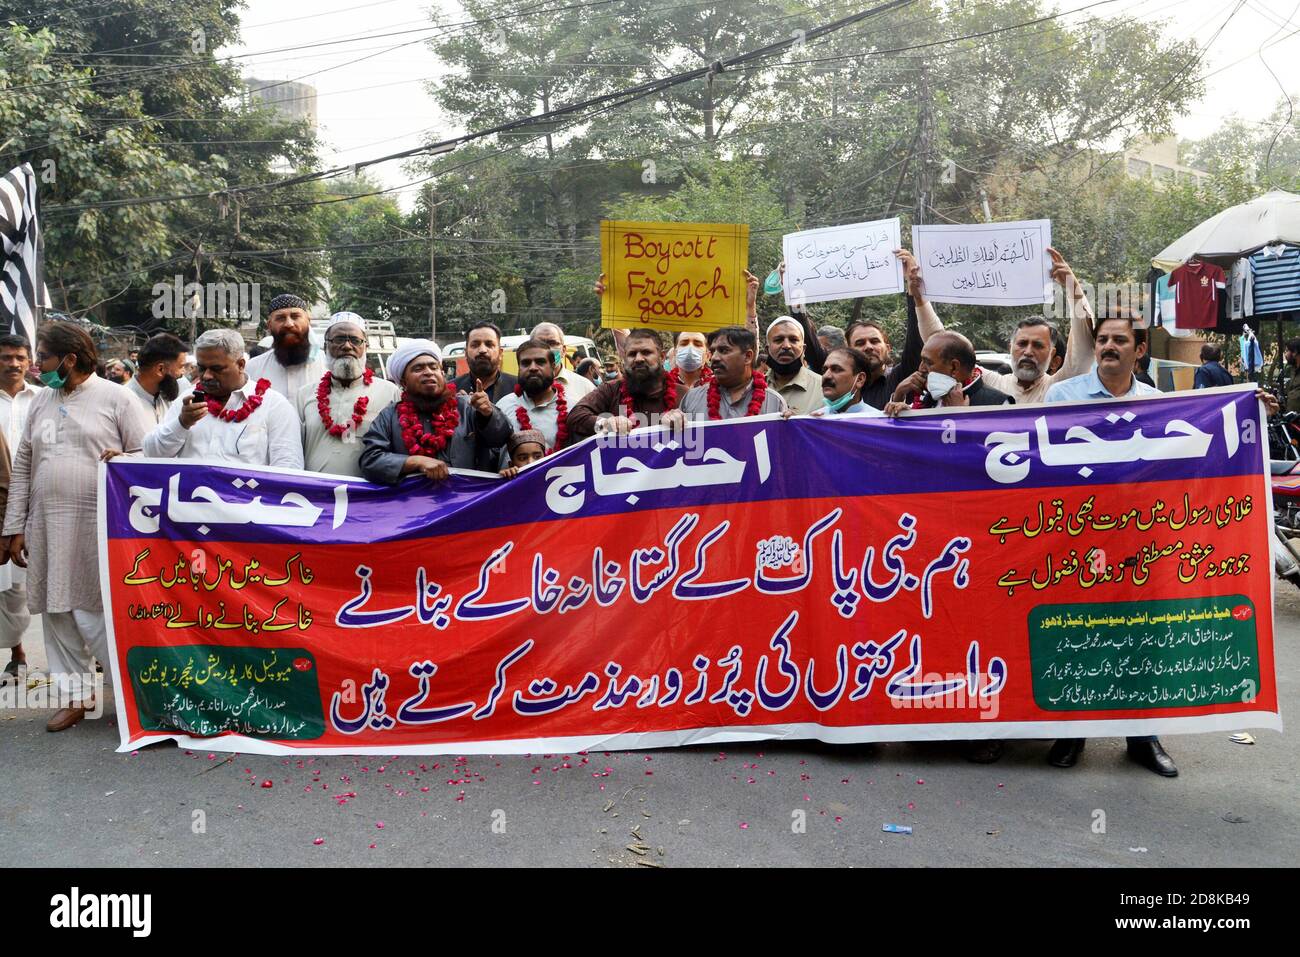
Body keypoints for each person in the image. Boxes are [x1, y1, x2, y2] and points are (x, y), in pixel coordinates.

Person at [1039, 316, 1283, 776]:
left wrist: (1251, 411)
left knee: (1139, 632)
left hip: (1142, 540)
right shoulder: (1061, 397)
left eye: (1119, 340)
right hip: (1079, 536)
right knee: (1078, 630)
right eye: (1103, 339)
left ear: (1140, 348)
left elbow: (1201, 453)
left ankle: (1143, 737)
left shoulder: (1159, 405)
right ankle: (1072, 733)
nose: (1109, 346)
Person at [1, 322, 148, 732]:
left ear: (68, 358)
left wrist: (122, 459)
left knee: (93, 614)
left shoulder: (117, 398)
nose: (37, 367)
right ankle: (77, 699)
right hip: (46, 524)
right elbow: (26, 464)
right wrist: (15, 527)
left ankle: (139, 695)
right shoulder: (42, 401)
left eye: (43, 357)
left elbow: (146, 456)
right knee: (58, 613)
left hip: (98, 525)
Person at [914, 247, 1096, 404]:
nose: (1028, 351)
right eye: (1022, 343)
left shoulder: (1060, 388)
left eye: (1038, 345)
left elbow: (1085, 344)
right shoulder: (991, 384)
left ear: (1053, 356)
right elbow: (941, 345)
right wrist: (919, 298)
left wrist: (1073, 288)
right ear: (1011, 347)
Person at [142, 328, 304, 469]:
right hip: (190, 502)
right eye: (202, 367)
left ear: (240, 365)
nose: (206, 376)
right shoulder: (187, 401)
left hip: (247, 503)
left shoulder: (274, 406)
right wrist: (182, 423)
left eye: (216, 369)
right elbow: (152, 453)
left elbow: (288, 467)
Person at [360, 340, 510, 485]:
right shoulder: (389, 416)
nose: (428, 372)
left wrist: (489, 414)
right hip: (414, 505)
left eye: (434, 367)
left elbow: (501, 439)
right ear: (404, 382)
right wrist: (415, 461)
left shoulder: (469, 406)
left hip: (467, 504)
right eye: (418, 369)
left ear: (442, 374)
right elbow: (370, 460)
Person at [296, 313, 400, 477]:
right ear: (325, 347)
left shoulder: (390, 393)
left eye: (355, 340)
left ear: (365, 347)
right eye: (338, 339)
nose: (347, 346)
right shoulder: (304, 395)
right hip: (314, 496)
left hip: (368, 497)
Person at [846, 250, 937, 408]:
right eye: (860, 343)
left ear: (887, 348)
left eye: (874, 341)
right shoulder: (844, 386)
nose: (868, 347)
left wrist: (913, 292)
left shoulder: (901, 376)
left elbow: (915, 339)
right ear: (849, 351)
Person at [0, 334, 40, 688]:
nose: (13, 363)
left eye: (19, 357)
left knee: (35, 582)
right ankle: (18, 653)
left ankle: (85, 650)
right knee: (6, 585)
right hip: (0, 503)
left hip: (36, 501)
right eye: (6, 357)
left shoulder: (43, 400)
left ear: (30, 362)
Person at [569, 329, 678, 438]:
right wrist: (605, 424)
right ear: (624, 358)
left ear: (662, 357)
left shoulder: (682, 394)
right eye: (632, 354)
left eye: (646, 352)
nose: (638, 359)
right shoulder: (610, 390)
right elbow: (575, 417)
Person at [670, 326, 787, 422]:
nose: (714, 358)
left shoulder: (774, 403)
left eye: (724, 351)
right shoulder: (692, 398)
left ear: (747, 357)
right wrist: (669, 421)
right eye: (713, 351)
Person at [884, 331, 1014, 414]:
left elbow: (992, 454)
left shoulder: (998, 404)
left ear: (954, 368)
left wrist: (960, 419)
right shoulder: (927, 398)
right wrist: (899, 397)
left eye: (928, 362)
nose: (921, 369)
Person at [495, 339, 571, 453]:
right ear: (519, 368)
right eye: (526, 363)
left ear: (553, 367)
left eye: (540, 362)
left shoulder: (572, 408)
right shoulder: (503, 406)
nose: (533, 368)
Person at [244, 293, 325, 398]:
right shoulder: (251, 369)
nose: (289, 324)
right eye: (280, 318)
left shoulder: (328, 366)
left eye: (295, 316)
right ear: (269, 325)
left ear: (308, 321)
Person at [127, 333, 192, 424]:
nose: (182, 373)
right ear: (160, 369)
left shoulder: (163, 396)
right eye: (180, 367)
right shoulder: (126, 402)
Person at [765, 316, 825, 415]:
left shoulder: (823, 388)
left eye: (793, 340)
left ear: (804, 349)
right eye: (778, 340)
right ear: (767, 350)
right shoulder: (752, 388)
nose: (786, 346)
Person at [807, 347, 885, 417]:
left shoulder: (878, 422)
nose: (826, 376)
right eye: (824, 370)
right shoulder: (816, 419)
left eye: (836, 369)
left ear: (859, 379)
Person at [453, 321, 518, 403]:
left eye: (489, 344)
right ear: (465, 353)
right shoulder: (450, 391)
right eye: (475, 345)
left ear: (500, 353)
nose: (482, 350)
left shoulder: (519, 388)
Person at [529, 322, 595, 401]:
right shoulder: (523, 386)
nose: (547, 349)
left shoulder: (585, 387)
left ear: (563, 351)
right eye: (540, 343)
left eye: (552, 343)